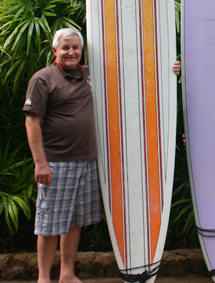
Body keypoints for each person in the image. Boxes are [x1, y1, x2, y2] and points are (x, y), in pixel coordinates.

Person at [24, 28, 181, 283]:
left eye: (75, 47)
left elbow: (132, 71)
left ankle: (66, 274)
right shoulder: (43, 79)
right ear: (54, 51)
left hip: (86, 161)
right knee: (50, 225)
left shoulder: (89, 74)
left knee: (75, 222)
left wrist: (168, 69)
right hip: (57, 163)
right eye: (65, 48)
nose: (71, 52)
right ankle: (43, 278)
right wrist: (40, 163)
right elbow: (32, 122)